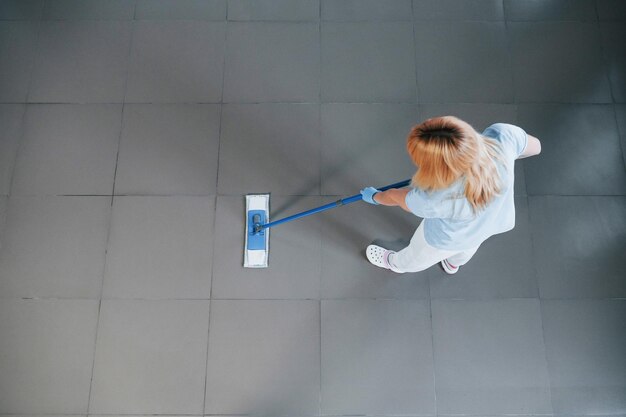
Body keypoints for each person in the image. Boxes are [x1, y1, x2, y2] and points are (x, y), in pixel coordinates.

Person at [360, 116, 541, 274]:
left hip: (446, 239)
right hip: (492, 223)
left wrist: (375, 197)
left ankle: (395, 263)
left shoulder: (433, 197)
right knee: (469, 246)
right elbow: (536, 147)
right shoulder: (503, 136)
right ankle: (452, 264)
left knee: (417, 256)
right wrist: (504, 157)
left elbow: (395, 197)